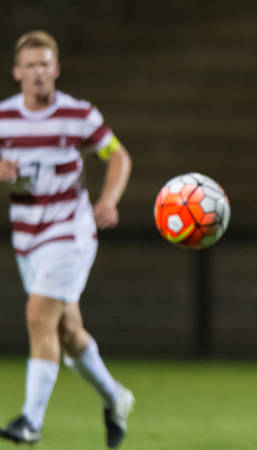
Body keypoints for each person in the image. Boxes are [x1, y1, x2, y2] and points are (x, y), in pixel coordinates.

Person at [0, 31, 134, 448]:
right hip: (27, 236)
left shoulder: (78, 114)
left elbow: (119, 156)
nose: (39, 73)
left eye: (46, 64)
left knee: (39, 315)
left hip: (70, 230)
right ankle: (116, 398)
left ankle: (31, 422)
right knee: (68, 333)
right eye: (31, 65)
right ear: (17, 72)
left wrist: (109, 200)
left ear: (56, 70)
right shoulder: (3, 118)